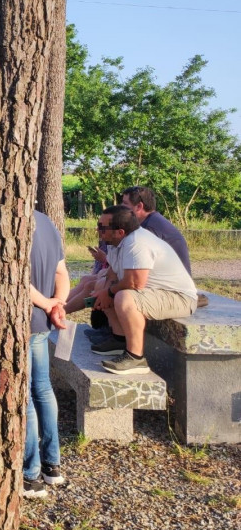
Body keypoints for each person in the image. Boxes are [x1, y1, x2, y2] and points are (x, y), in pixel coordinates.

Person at [87, 205, 197, 374]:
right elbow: (112, 273)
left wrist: (109, 293)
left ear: (120, 232)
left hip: (180, 297)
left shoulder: (137, 242)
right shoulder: (114, 243)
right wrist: (103, 291)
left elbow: (135, 283)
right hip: (155, 292)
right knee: (103, 285)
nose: (98, 229)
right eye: (98, 224)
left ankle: (136, 358)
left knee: (124, 298)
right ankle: (119, 339)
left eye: (102, 227)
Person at [23, 211, 70, 499]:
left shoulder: (9, 215)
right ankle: (52, 465)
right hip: (42, 322)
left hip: (22, 321)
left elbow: (17, 279)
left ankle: (31, 475)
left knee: (25, 396)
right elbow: (61, 273)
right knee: (43, 388)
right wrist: (57, 304)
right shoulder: (47, 223)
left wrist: (48, 302)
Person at [121, 186, 192, 276]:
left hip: (171, 284)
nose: (121, 207)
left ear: (139, 206)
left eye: (125, 204)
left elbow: (138, 265)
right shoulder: (153, 221)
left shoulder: (149, 229)